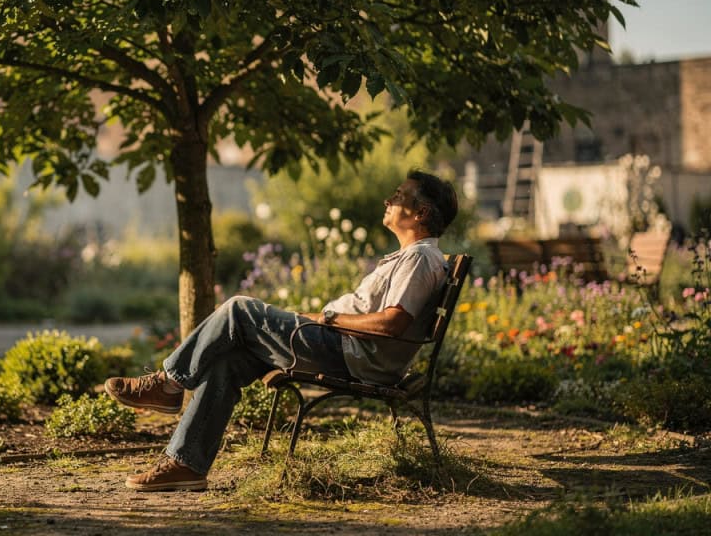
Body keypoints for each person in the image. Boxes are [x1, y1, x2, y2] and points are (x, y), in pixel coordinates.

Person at [104, 170, 459, 491]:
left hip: (351, 353)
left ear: (421, 213)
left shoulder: (420, 258)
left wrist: (328, 320)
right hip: (345, 347)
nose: (389, 199)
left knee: (238, 308)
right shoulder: (411, 257)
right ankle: (186, 464)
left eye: (399, 195)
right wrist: (313, 318)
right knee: (228, 362)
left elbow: (392, 323)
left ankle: (168, 384)